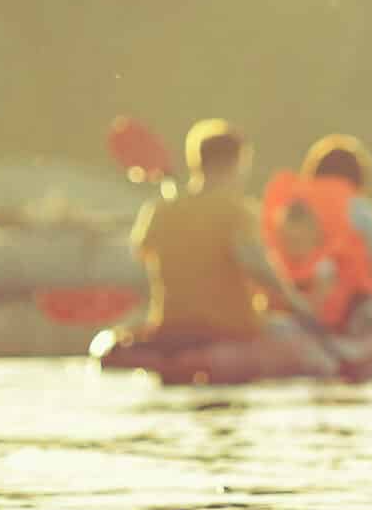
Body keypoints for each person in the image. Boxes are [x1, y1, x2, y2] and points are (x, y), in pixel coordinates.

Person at [128, 120, 315, 346]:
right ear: (237, 164)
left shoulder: (159, 211)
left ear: (197, 161)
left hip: (170, 327)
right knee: (302, 335)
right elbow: (258, 268)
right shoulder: (237, 211)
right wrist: (299, 304)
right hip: (231, 329)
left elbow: (140, 257)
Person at [260, 134, 372, 332]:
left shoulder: (288, 205)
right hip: (349, 312)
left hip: (289, 305)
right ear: (358, 175)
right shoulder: (359, 206)